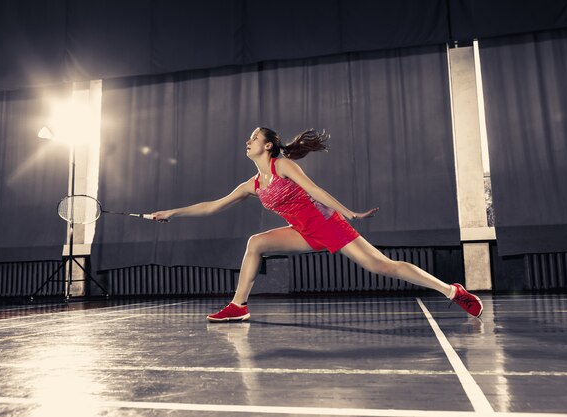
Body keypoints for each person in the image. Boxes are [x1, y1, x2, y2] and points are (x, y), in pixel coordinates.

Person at [151, 127, 483, 322]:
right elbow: (211, 206)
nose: (247, 141)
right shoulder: (253, 184)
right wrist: (172, 212)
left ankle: (451, 290)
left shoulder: (283, 165)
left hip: (328, 225)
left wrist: (348, 212)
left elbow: (316, 191)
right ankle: (238, 306)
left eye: (254, 138)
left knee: (383, 266)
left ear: (268, 145)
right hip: (303, 233)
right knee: (257, 242)